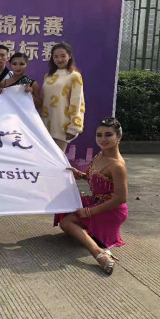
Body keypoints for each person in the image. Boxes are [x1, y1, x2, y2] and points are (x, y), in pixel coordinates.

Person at [55, 117, 128, 275]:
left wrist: (89, 211)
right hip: (96, 201)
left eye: (108, 135)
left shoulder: (117, 165)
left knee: (66, 223)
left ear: (119, 136)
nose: (103, 139)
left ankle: (98, 253)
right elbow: (98, 180)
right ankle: (92, 233)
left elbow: (120, 198)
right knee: (64, 204)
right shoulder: (100, 155)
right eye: (99, 135)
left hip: (111, 209)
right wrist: (80, 175)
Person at [41, 42, 85, 152]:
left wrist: (74, 127)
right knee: (48, 158)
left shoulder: (74, 76)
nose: (59, 59)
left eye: (63, 56)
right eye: (56, 56)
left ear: (69, 56)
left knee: (58, 159)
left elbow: (77, 101)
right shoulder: (48, 76)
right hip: (46, 124)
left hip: (63, 125)